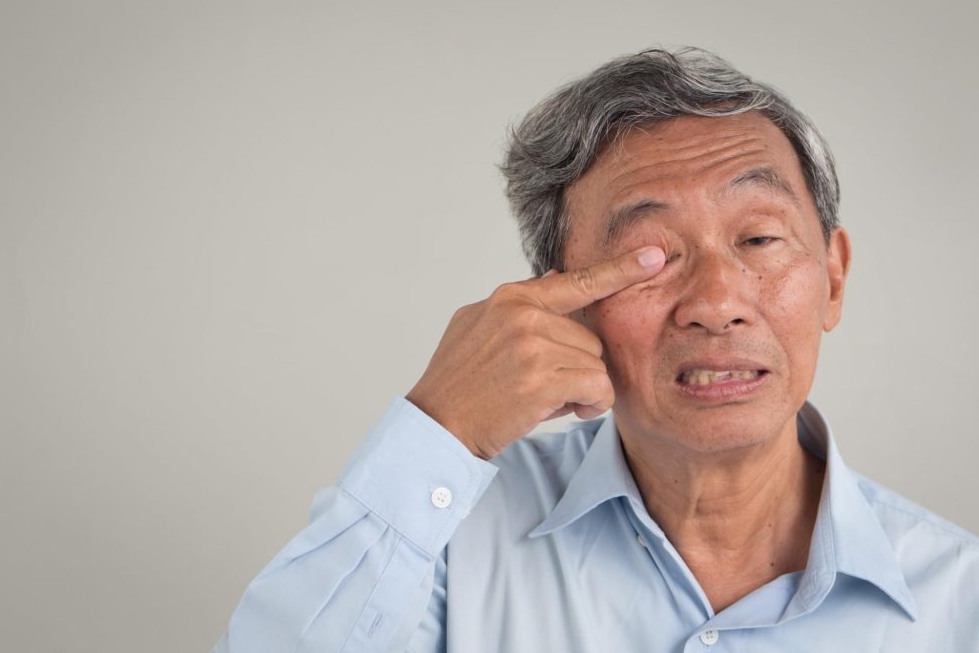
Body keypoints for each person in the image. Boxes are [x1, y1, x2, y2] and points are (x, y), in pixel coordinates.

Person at [212, 47, 979, 652]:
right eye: (649, 254)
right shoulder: (447, 540)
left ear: (834, 278)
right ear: (563, 301)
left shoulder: (959, 598)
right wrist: (438, 427)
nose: (716, 301)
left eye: (759, 238)